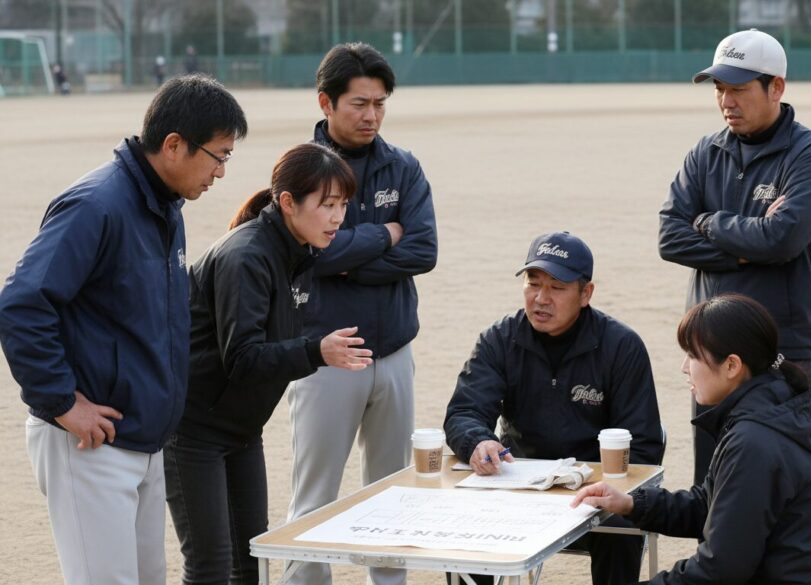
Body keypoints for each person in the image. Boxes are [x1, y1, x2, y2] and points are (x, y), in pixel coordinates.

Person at [0, 74, 247, 585]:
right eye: (219, 155)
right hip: (89, 442)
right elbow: (21, 304)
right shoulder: (96, 205)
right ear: (174, 145)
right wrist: (63, 403)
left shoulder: (165, 206)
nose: (221, 172)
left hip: (145, 440)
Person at [165, 143, 374, 584]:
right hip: (193, 434)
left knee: (250, 563)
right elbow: (242, 358)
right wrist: (316, 351)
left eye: (343, 206)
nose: (339, 218)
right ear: (287, 202)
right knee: (210, 568)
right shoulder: (247, 257)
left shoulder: (298, 251)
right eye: (328, 205)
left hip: (242, 432)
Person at [572, 294, 811, 585]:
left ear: (732, 366)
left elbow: (719, 570)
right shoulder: (770, 414)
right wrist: (631, 504)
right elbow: (709, 506)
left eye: (694, 355)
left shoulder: (755, 441)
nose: (685, 367)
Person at [657, 29, 811, 485]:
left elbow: (782, 240)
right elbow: (669, 237)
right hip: (711, 356)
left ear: (776, 87)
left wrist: (712, 221)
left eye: (738, 89)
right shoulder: (706, 151)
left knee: (782, 489)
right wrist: (746, 250)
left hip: (782, 355)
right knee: (713, 490)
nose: (726, 101)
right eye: (720, 90)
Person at [285, 42, 438, 585]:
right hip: (324, 356)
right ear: (325, 102)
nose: (371, 114)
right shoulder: (301, 170)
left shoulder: (404, 165)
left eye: (380, 103)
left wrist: (344, 255)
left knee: (394, 488)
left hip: (393, 352)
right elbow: (307, 255)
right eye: (358, 103)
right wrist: (382, 236)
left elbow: (423, 251)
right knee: (315, 491)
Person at [444, 231, 664, 585]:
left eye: (557, 288)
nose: (541, 299)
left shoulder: (622, 346)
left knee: (622, 525)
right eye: (533, 284)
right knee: (460, 517)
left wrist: (596, 483)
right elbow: (464, 412)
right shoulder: (499, 339)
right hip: (517, 483)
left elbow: (643, 444)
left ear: (586, 293)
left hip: (594, 492)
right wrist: (477, 443)